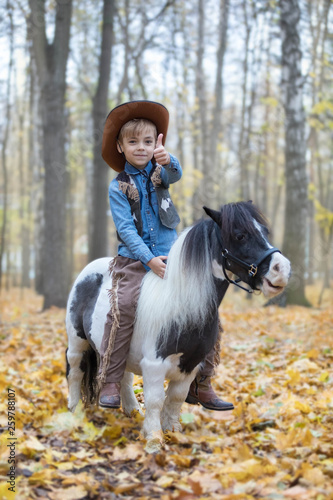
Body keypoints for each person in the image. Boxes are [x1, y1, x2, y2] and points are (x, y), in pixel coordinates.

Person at [97, 100, 233, 412]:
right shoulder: (118, 187)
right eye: (133, 142)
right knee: (123, 308)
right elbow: (127, 231)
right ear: (120, 146)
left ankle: (201, 382)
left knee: (205, 308)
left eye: (148, 142)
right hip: (134, 260)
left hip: (172, 257)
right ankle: (111, 378)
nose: (141, 148)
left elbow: (176, 173)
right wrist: (149, 260)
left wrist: (168, 158)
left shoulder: (161, 173)